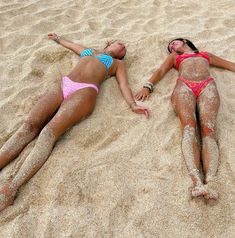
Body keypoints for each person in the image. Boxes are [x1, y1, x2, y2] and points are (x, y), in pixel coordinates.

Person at [0, 33, 149, 212]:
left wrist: (133, 104)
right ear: (109, 43)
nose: (123, 46)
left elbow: (123, 85)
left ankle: (12, 187)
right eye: (120, 43)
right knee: (28, 127)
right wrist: (58, 39)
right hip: (64, 83)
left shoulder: (117, 64)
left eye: (124, 48)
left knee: (48, 133)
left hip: (85, 91)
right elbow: (72, 45)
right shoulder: (89, 51)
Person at [135, 38, 235, 199]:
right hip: (184, 85)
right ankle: (196, 181)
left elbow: (229, 65)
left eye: (173, 43)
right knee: (189, 128)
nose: (171, 47)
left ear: (184, 41)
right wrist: (148, 86)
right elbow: (160, 71)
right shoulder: (174, 57)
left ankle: (211, 180)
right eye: (169, 47)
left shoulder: (205, 54)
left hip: (207, 85)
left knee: (209, 129)